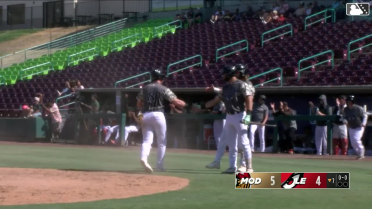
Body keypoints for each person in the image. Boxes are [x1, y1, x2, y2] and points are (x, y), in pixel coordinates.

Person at [205, 65, 254, 173]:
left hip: (240, 114)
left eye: (224, 74)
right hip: (229, 116)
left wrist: (249, 115)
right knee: (231, 143)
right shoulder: (226, 87)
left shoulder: (242, 85)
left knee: (244, 142)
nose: (222, 76)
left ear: (229, 74)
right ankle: (232, 167)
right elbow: (218, 98)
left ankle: (249, 167)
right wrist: (208, 104)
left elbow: (249, 98)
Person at [137, 69, 186, 173]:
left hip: (145, 114)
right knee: (162, 142)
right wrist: (184, 103)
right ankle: (159, 166)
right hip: (158, 114)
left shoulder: (144, 88)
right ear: (161, 78)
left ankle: (144, 158)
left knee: (146, 140)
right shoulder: (163, 88)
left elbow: (139, 104)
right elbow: (176, 102)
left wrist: (140, 115)